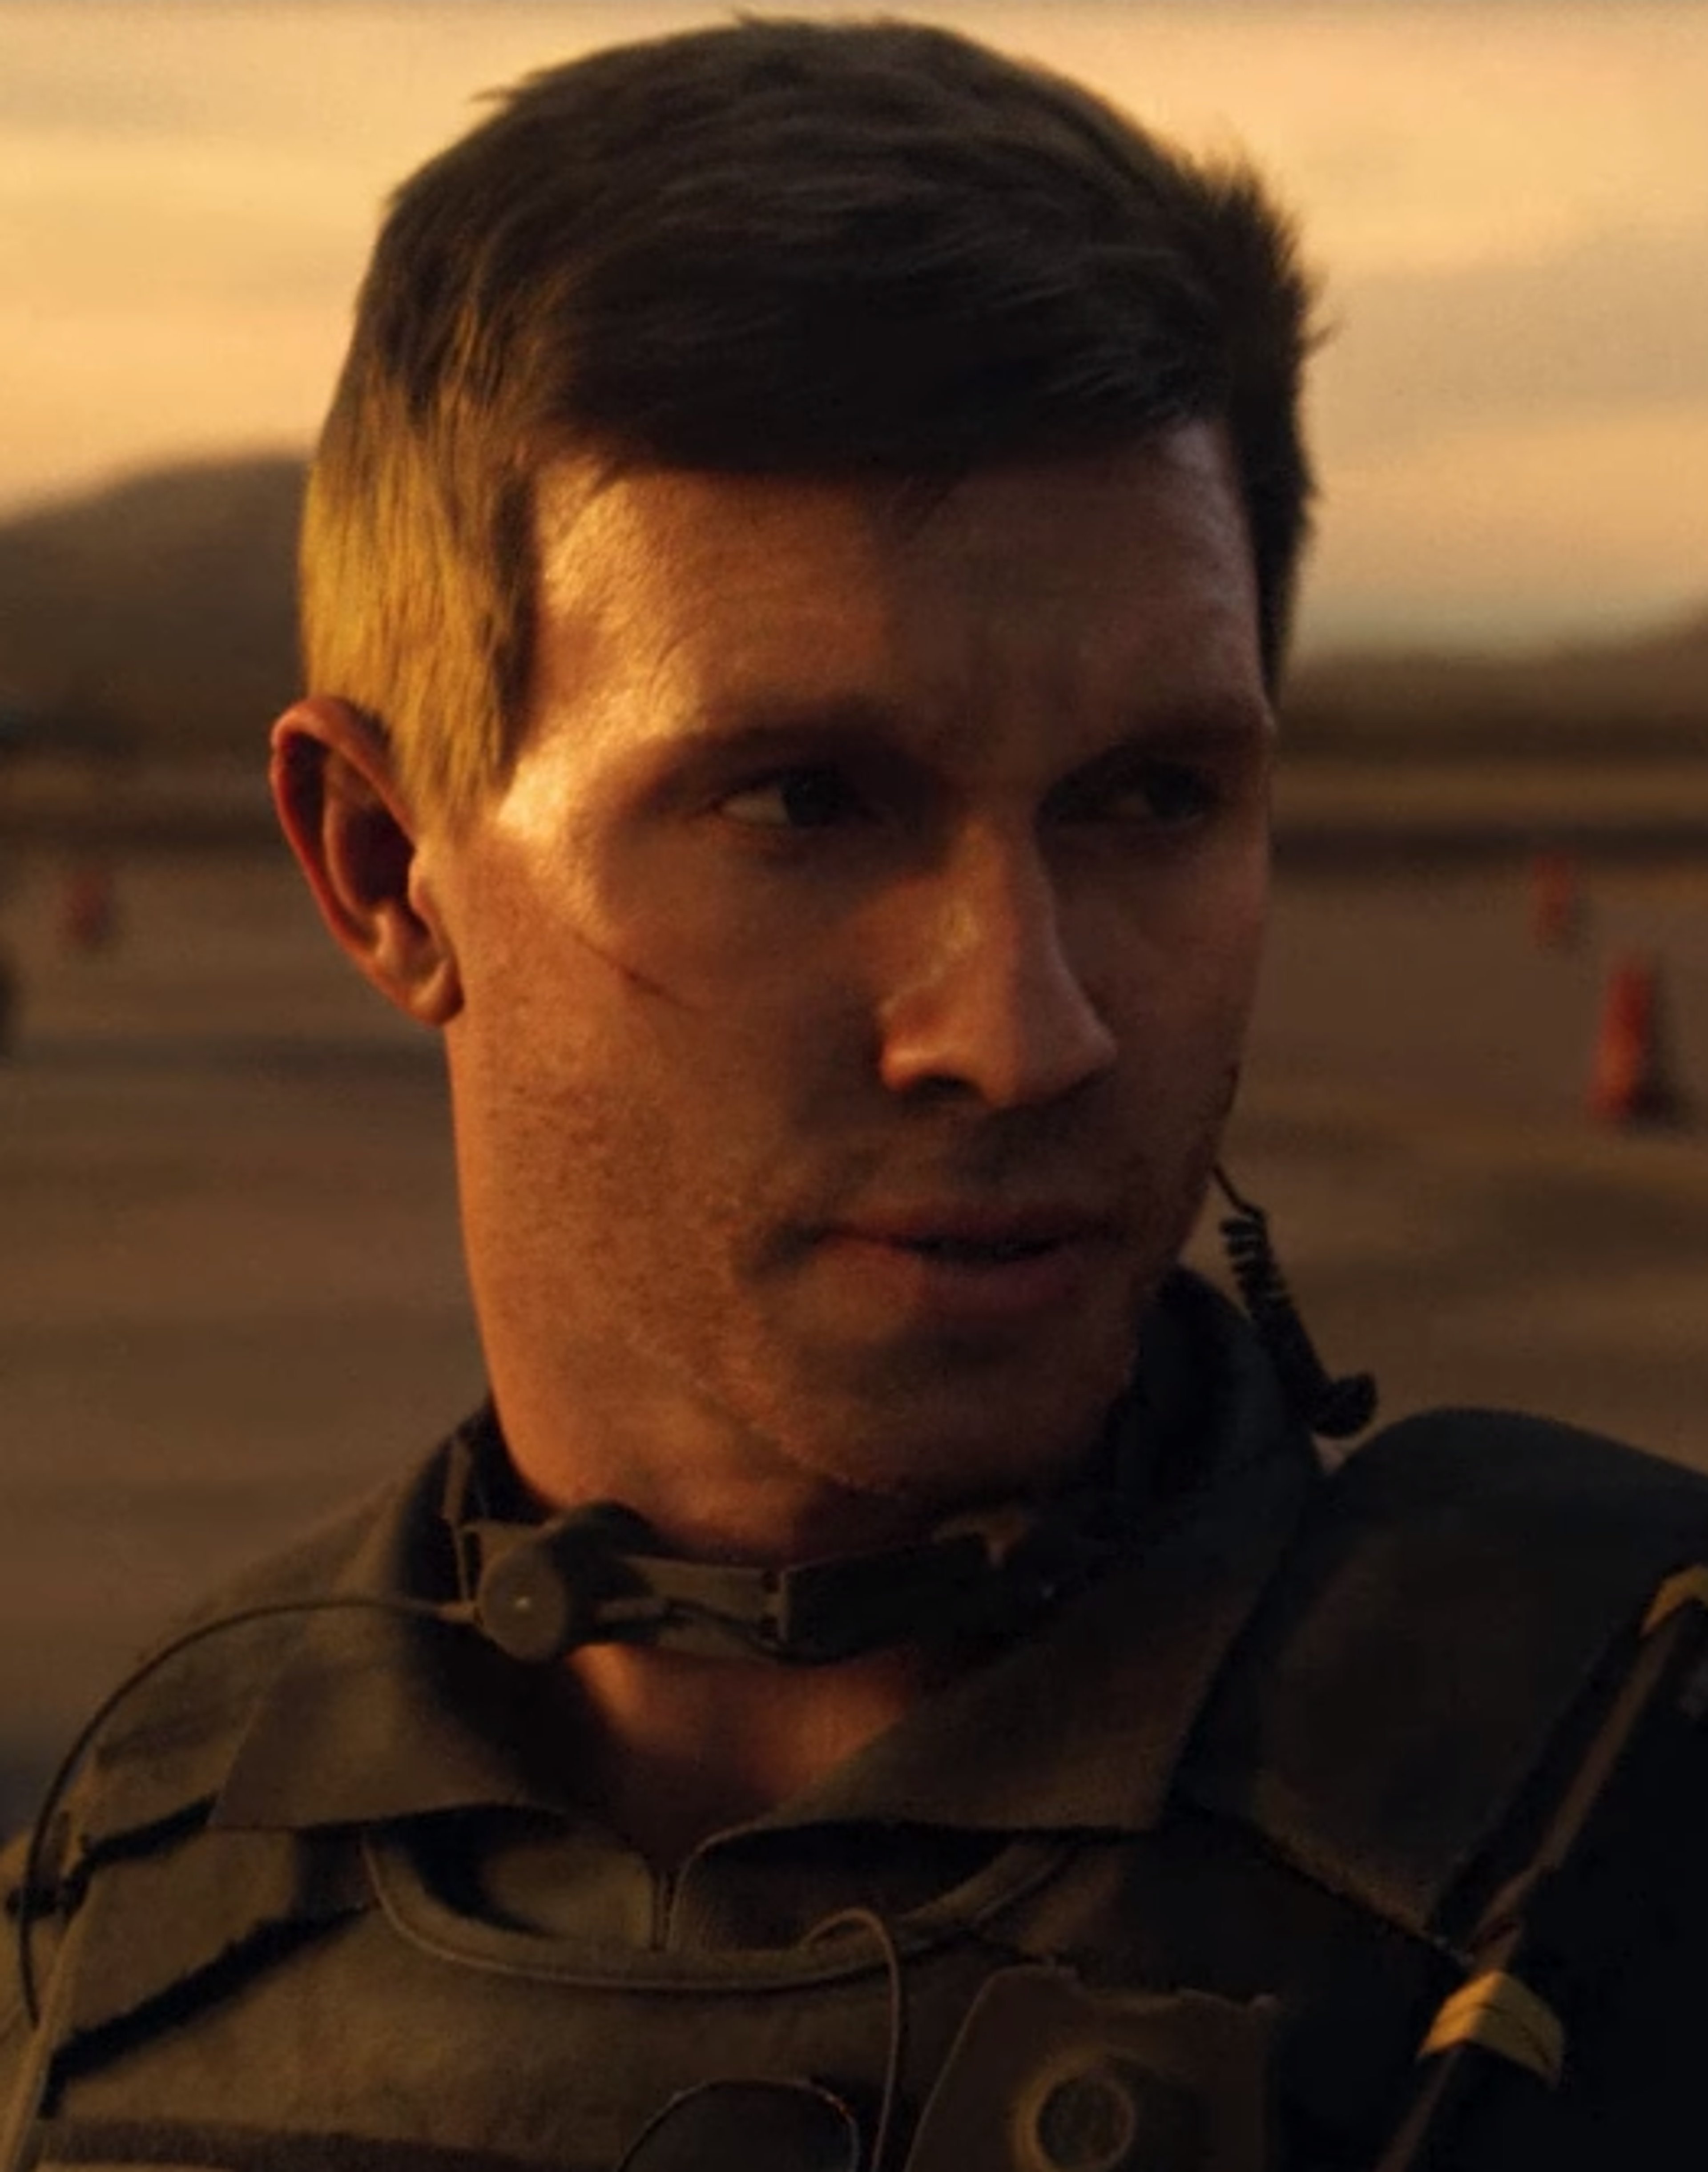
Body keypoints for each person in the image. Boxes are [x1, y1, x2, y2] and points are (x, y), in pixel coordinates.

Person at [4, 18, 1707, 2170]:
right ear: (381, 865)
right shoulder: (147, 1878)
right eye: (806, 801)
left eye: (1153, 797)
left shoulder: (1623, 1799)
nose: (1027, 1030)